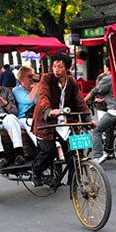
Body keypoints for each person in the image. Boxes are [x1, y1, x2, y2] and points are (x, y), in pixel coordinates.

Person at [31, 53, 94, 187]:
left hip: (66, 121)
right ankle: (36, 171)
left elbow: (80, 102)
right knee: (49, 150)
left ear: (67, 69)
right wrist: (49, 111)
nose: (56, 70)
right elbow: (43, 97)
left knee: (75, 151)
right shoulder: (46, 78)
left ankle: (74, 180)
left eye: (60, 67)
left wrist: (88, 119)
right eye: (54, 66)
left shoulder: (71, 81)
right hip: (46, 121)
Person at [86, 66, 116, 163]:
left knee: (96, 131)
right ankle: (108, 150)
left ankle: (98, 156)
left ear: (107, 68)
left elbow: (94, 91)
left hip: (114, 112)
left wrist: (83, 101)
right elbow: (114, 95)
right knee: (108, 128)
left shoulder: (108, 78)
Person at [12, 66, 39, 146]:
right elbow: (29, 100)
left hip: (36, 116)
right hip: (23, 118)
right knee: (31, 124)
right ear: (21, 78)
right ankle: (41, 147)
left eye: (32, 76)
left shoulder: (34, 88)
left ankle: (61, 150)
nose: (32, 78)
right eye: (29, 76)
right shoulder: (16, 90)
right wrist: (36, 84)